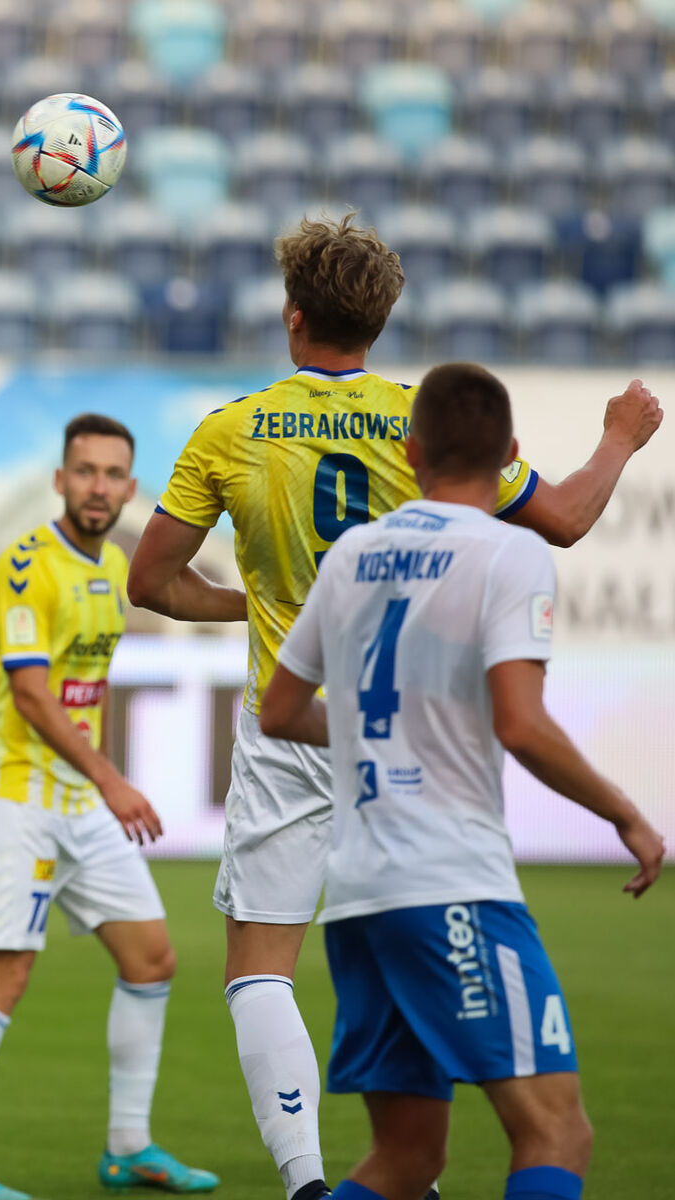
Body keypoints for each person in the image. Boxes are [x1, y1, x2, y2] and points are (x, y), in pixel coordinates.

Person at [126, 214, 664, 1200]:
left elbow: (151, 583)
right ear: (380, 320)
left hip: (290, 724)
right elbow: (567, 520)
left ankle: (304, 1180)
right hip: (417, 740)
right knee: (542, 1119)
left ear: (292, 315)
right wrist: (617, 440)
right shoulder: (423, 425)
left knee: (259, 969)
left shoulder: (230, 428)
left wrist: (257, 606)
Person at [258, 362, 665, 1200]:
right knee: (556, 1130)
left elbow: (277, 710)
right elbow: (520, 724)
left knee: (407, 1159)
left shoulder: (355, 555)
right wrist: (625, 812)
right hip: (449, 884)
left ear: (411, 454)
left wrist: (384, 736)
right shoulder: (509, 554)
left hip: (360, 895)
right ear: (511, 452)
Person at [0, 415, 218, 1200]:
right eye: (83, 471)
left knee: (151, 958)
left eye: (112, 474)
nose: (97, 486)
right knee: (3, 974)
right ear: (60, 480)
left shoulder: (115, 566)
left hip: (76, 796)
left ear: (128, 486)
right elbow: (32, 692)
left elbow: (102, 677)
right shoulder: (25, 566)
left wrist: (258, 604)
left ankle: (128, 1147)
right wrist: (113, 779)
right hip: (16, 790)